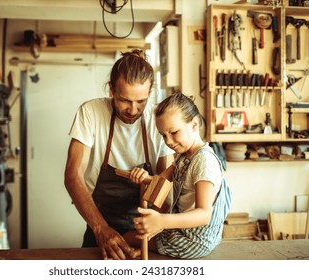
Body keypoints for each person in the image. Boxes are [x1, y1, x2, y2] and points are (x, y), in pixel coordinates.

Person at [64, 49, 174, 260]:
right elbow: (72, 176)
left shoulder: (158, 119)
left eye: (141, 101)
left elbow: (164, 187)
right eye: (125, 100)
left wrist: (150, 231)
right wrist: (100, 229)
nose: (133, 109)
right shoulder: (91, 113)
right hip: (99, 223)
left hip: (146, 227)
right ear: (111, 90)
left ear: (150, 93)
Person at [124, 92, 232, 259]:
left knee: (128, 238)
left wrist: (161, 221)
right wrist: (144, 177)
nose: (168, 141)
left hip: (195, 240)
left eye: (173, 132)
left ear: (194, 125)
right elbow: (160, 181)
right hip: (182, 230)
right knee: (136, 237)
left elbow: (204, 214)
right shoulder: (184, 156)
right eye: (163, 135)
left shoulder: (204, 161)